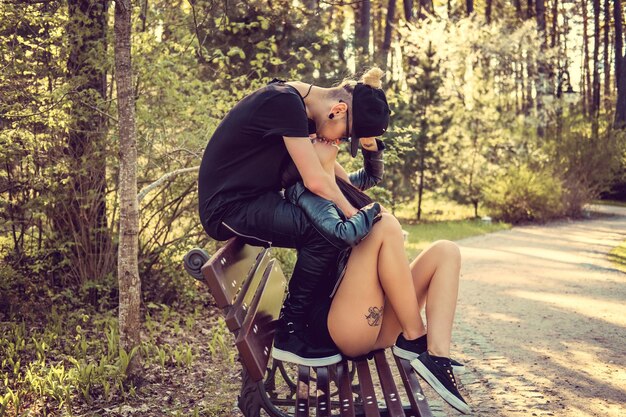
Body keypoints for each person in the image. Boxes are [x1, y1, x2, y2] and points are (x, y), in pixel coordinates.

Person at [281, 72, 471, 414]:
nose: (329, 140)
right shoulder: (307, 192)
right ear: (301, 155)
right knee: (384, 223)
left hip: (368, 319)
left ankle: (436, 355)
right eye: (315, 139)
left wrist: (368, 144)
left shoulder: (334, 185)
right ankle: (414, 337)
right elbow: (346, 231)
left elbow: (367, 178)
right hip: (338, 325)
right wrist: (374, 213)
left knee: (446, 250)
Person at [197, 68, 391, 367]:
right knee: (326, 233)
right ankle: (291, 332)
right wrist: (353, 214)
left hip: (255, 200)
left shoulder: (297, 108)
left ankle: (314, 325)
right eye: (345, 134)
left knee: (331, 230)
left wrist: (369, 161)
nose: (340, 142)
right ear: (338, 110)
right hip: (228, 208)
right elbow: (316, 181)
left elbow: (339, 183)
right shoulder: (284, 104)